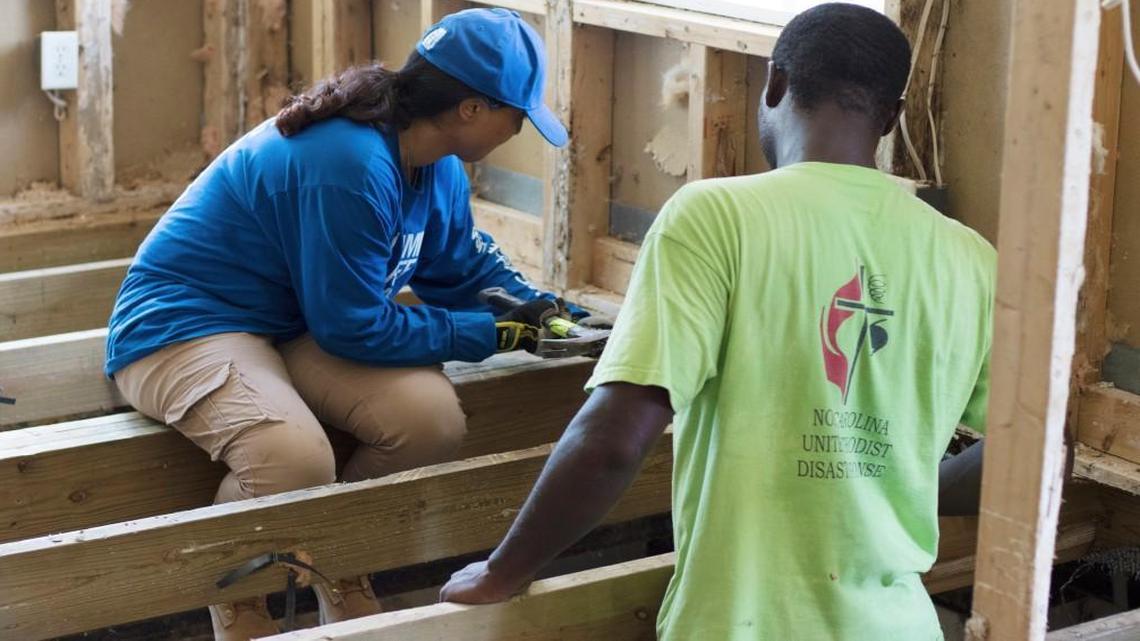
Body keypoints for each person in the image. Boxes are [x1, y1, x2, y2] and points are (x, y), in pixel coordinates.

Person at [440, 4, 994, 639]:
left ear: (776, 84)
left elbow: (615, 441)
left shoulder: (716, 216)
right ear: (891, 119)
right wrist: (895, 483)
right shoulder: (969, 259)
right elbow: (1038, 458)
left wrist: (503, 571)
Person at [105, 8, 573, 640]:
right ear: (470, 108)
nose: (520, 129)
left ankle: (336, 561)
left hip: (295, 319)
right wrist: (484, 335)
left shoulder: (434, 165)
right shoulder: (349, 162)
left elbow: (458, 262)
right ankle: (241, 600)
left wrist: (529, 305)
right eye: (516, 114)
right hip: (186, 321)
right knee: (291, 457)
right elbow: (353, 328)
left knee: (427, 422)